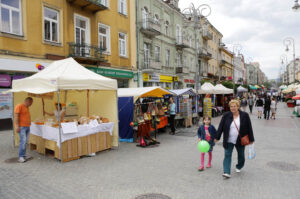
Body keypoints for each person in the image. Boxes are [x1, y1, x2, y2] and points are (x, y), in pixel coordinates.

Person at [215, 99, 255, 179]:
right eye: (231, 106)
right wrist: (217, 137)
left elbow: (249, 127)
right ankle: (226, 172)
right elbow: (221, 127)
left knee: (241, 156)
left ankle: (239, 166)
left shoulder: (244, 115)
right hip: (228, 139)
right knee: (227, 155)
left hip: (240, 140)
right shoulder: (226, 115)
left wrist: (251, 139)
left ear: (238, 107)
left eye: (234, 106)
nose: (233, 108)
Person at [14, 97, 33, 163]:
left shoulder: (27, 107)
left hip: (27, 126)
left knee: (25, 141)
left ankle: (24, 155)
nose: (31, 104)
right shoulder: (19, 106)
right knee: (23, 141)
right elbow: (16, 116)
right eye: (31, 103)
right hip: (22, 127)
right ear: (27, 101)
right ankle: (21, 157)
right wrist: (17, 126)